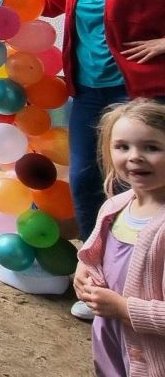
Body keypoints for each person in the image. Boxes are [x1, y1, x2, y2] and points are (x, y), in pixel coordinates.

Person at [42, 0, 165, 319]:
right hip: (87, 92)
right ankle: (100, 281)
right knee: (84, 179)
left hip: (140, 92)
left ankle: (148, 282)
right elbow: (45, 5)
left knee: (144, 181)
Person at [76, 99, 165, 375]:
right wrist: (85, 271)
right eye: (122, 147)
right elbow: (95, 254)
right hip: (113, 339)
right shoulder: (115, 207)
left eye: (151, 147)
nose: (135, 156)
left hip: (154, 356)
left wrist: (124, 308)